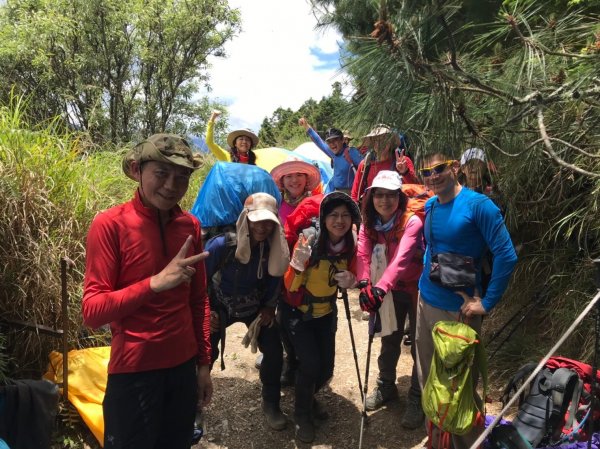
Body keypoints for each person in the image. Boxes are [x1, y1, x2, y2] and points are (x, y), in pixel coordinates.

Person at [82, 134, 212, 449]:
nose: (171, 185)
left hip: (182, 369)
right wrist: (154, 284)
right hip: (134, 371)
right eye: (161, 173)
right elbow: (93, 311)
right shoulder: (110, 224)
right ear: (137, 170)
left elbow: (198, 300)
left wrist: (204, 365)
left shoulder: (189, 226)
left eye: (182, 177)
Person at [415, 152, 517, 449]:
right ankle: (437, 440)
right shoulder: (431, 205)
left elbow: (506, 255)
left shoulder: (479, 206)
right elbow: (432, 249)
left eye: (439, 169)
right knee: (430, 380)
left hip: (459, 311)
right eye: (426, 171)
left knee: (459, 389)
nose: (433, 176)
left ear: (455, 168)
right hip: (427, 301)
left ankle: (467, 445)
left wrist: (486, 303)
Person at [204, 193, 290, 431]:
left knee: (273, 349)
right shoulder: (222, 245)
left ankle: (271, 402)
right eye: (257, 220)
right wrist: (206, 312)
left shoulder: (273, 246)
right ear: (246, 219)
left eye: (268, 221)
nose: (262, 227)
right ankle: (194, 406)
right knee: (204, 351)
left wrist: (270, 307)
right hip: (220, 305)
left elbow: (275, 278)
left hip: (255, 305)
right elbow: (199, 281)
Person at [280, 191, 360, 443]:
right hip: (299, 313)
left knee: (326, 369)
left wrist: (352, 281)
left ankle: (307, 395)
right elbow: (290, 286)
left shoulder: (350, 244)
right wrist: (297, 266)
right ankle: (302, 415)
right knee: (311, 364)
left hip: (326, 313)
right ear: (323, 219)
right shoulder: (309, 240)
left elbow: (355, 275)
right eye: (334, 215)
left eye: (345, 215)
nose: (340, 221)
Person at [356, 170, 425, 429]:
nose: (385, 200)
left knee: (420, 343)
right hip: (391, 290)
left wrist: (380, 288)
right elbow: (362, 254)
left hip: (418, 288)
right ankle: (386, 386)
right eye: (379, 195)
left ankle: (417, 397)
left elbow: (401, 260)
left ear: (400, 197)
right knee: (389, 337)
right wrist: (365, 285)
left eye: (391, 195)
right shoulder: (369, 223)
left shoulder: (412, 222)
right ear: (372, 196)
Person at [351, 124, 419, 204]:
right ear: (372, 143)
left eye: (384, 140)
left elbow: (416, 189)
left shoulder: (403, 162)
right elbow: (355, 194)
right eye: (376, 141)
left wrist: (405, 172)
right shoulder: (365, 165)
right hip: (371, 213)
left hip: (400, 213)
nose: (380, 144)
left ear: (391, 142)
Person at [298, 117, 363, 194]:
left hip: (350, 193)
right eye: (329, 142)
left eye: (335, 140)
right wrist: (306, 126)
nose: (332, 144)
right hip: (336, 191)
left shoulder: (351, 152)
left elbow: (365, 169)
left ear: (342, 140)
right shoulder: (334, 153)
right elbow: (319, 141)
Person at [270, 158, 321, 224]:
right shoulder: (276, 205)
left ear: (306, 179)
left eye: (299, 175)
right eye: (289, 176)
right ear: (282, 181)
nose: (294, 180)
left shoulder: (317, 203)